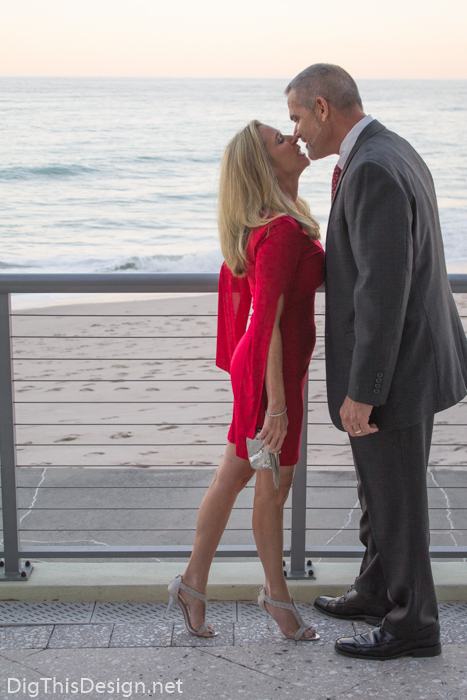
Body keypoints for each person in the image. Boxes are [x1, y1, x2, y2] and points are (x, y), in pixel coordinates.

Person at [286, 63, 467, 660]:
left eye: (296, 119)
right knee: (378, 491)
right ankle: (374, 589)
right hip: (413, 357)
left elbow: (380, 292)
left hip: (396, 370)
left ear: (321, 107)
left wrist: (364, 389)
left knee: (398, 499)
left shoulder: (369, 170)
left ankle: (414, 623)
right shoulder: (392, 149)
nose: (298, 134)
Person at [166, 120, 325, 641]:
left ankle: (192, 584)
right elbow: (269, 318)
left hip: (266, 368)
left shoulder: (280, 218)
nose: (294, 139)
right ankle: (277, 598)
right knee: (273, 489)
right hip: (269, 373)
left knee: (234, 474)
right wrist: (276, 405)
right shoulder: (278, 232)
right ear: (263, 164)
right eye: (282, 140)